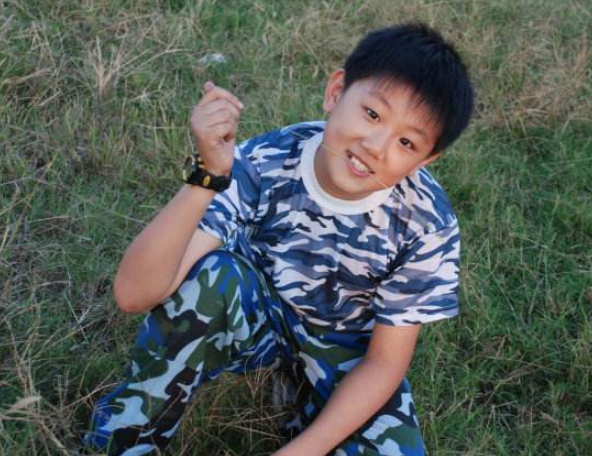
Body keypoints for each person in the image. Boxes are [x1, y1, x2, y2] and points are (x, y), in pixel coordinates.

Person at [85, 22, 474, 456]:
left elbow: (384, 363)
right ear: (336, 92)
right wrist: (208, 176)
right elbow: (133, 294)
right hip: (257, 312)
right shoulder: (266, 160)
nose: (376, 145)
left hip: (344, 348)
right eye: (372, 114)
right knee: (212, 277)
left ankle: (304, 395)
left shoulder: (427, 224)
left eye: (406, 142)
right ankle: (128, 436)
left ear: (425, 161)